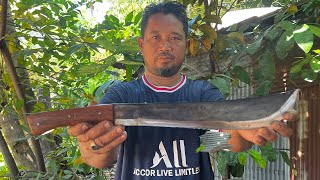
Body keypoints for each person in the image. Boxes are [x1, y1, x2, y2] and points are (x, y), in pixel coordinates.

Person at [68, 2, 295, 179]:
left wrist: (243, 131)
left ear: (186, 44)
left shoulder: (202, 94)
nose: (165, 46)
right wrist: (93, 147)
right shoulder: (122, 96)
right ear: (141, 44)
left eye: (174, 38)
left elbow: (220, 142)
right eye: (155, 37)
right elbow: (102, 159)